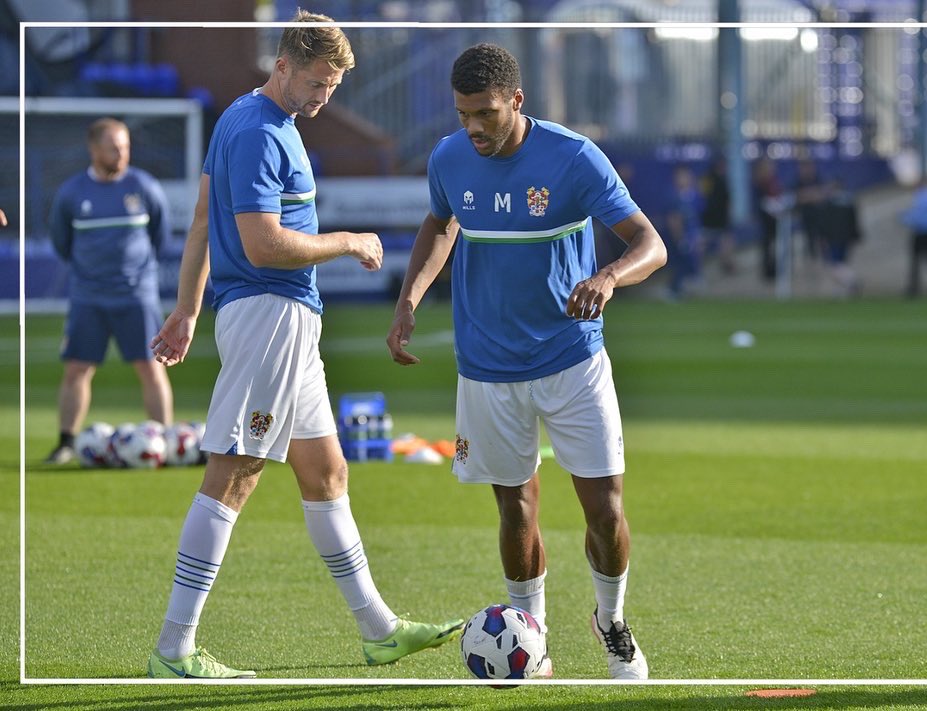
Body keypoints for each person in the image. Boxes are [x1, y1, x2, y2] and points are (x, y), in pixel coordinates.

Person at [146, 11, 462, 679]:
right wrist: (348, 241)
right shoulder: (261, 131)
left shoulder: (242, 117)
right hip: (270, 319)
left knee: (326, 472)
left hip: (281, 320)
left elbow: (203, 220)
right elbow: (263, 244)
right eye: (317, 83)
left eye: (333, 87)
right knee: (235, 473)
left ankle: (379, 629)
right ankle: (175, 646)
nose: (324, 98)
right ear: (283, 65)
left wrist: (185, 309)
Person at [387, 43, 666, 680]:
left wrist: (610, 277)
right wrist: (410, 298)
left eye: (484, 112)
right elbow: (439, 224)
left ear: (516, 101)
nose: (472, 128)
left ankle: (611, 620)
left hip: (572, 360)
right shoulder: (450, 157)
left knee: (606, 508)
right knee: (515, 508)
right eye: (463, 115)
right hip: (486, 368)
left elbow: (651, 243)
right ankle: (529, 639)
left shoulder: (572, 157)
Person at [45, 117, 173, 464]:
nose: (122, 153)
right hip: (88, 297)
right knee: (77, 369)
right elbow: (62, 243)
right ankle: (66, 442)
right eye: (114, 147)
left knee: (151, 367)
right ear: (94, 149)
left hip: (137, 296)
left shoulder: (144, 187)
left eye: (126, 146)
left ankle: (163, 442)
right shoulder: (72, 193)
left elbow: (160, 239)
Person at [664, 164, 704, 298]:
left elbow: (697, 217)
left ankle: (685, 288)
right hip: (679, 237)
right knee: (679, 263)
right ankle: (673, 290)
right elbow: (673, 219)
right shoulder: (673, 197)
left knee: (692, 262)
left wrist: (698, 236)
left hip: (692, 235)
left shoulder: (695, 196)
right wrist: (679, 238)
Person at [900, 180, 927, 297]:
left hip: (922, 232)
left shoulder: (921, 198)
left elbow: (917, 217)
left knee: (916, 262)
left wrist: (903, 218)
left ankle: (914, 288)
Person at [700, 154, 735, 274]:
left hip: (709, 217)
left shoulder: (707, 179)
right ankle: (725, 263)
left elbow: (703, 196)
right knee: (724, 240)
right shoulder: (720, 180)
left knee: (722, 240)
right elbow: (727, 201)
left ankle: (698, 266)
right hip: (717, 218)